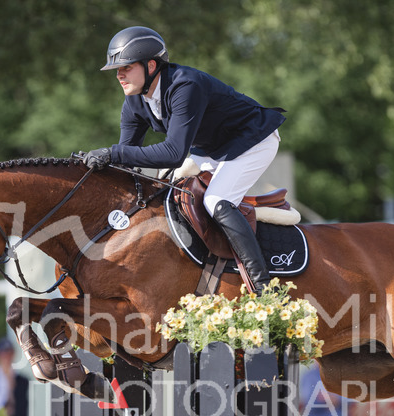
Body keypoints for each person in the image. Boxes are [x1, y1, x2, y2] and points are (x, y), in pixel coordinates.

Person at [81, 26, 286, 293]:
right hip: (211, 150)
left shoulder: (185, 85)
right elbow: (125, 160)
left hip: (252, 140)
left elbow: (173, 154)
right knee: (167, 196)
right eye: (117, 69)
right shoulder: (134, 101)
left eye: (126, 67)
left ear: (151, 65)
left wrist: (112, 153)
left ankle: (263, 287)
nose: (119, 75)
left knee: (216, 201)